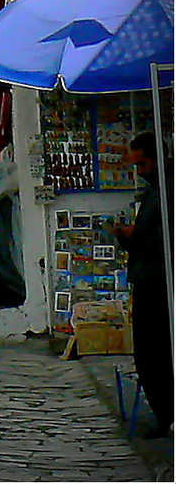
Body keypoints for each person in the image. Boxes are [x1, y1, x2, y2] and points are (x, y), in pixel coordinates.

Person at [114, 131, 172, 437]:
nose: (140, 172)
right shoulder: (154, 191)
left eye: (143, 165)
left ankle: (167, 415)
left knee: (154, 352)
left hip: (160, 283)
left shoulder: (166, 191)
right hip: (150, 279)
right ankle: (164, 414)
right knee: (151, 353)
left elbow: (160, 240)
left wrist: (134, 236)